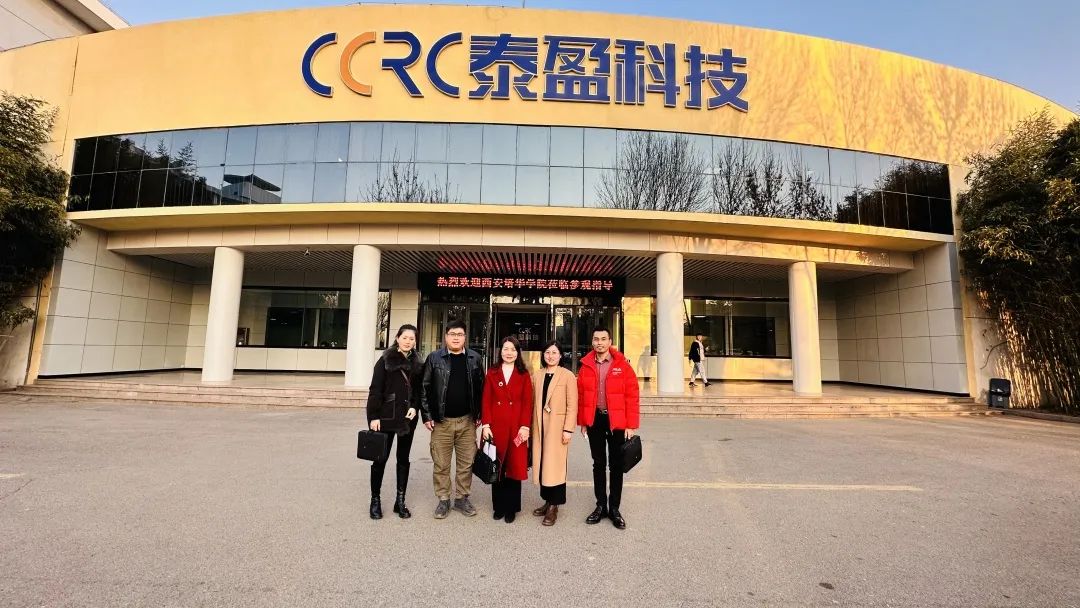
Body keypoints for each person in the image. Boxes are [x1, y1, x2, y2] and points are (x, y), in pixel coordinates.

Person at [420, 319, 485, 520]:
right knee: (441, 464)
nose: (456, 338)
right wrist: (427, 415)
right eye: (452, 334)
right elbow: (424, 387)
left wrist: (480, 414)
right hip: (442, 422)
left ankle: (461, 498)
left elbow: (482, 388)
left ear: (465, 337)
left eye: (460, 334)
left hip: (467, 421)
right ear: (446, 336)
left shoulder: (474, 358)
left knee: (466, 464)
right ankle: (443, 499)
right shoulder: (434, 358)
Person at [577, 326, 640, 530]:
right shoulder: (586, 365)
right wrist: (583, 421)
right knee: (598, 463)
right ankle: (600, 506)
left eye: (603, 339)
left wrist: (631, 424)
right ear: (592, 342)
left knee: (616, 465)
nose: (600, 343)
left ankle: (614, 508)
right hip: (595, 419)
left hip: (617, 421)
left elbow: (632, 395)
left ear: (610, 341)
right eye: (596, 339)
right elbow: (581, 396)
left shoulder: (622, 365)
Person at [365, 324, 424, 520]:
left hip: (407, 419)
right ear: (397, 338)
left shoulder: (417, 363)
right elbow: (375, 390)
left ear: (415, 341)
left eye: (412, 338)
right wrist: (373, 417)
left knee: (403, 459)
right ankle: (375, 500)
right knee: (380, 459)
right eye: (404, 337)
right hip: (386, 417)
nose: (408, 341)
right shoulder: (385, 360)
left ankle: (400, 501)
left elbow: (419, 391)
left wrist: (415, 406)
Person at [480, 336, 533, 524]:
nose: (509, 353)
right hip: (496, 427)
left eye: (512, 349)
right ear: (500, 351)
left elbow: (527, 403)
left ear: (518, 353)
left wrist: (525, 426)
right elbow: (486, 400)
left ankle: (512, 508)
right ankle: (499, 507)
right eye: (505, 349)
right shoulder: (492, 372)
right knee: (497, 467)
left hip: (517, 428)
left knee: (514, 468)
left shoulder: (523, 374)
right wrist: (486, 425)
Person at [529, 340, 578, 526]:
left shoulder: (567, 376)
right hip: (539, 427)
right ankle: (547, 501)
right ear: (543, 355)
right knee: (543, 464)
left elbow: (572, 405)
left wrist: (568, 429)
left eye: (554, 353)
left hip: (557, 428)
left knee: (555, 466)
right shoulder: (537, 375)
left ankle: (554, 506)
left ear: (560, 355)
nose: (550, 356)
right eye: (547, 352)